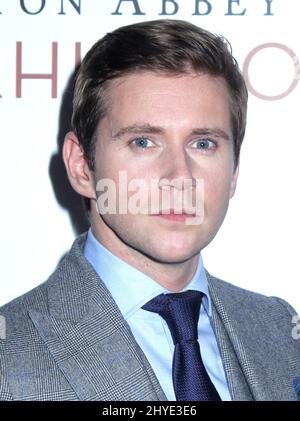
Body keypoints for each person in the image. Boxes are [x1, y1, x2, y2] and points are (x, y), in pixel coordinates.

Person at [0, 19, 299, 402]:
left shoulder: (279, 328)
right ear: (81, 166)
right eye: (143, 141)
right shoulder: (9, 358)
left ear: (234, 170)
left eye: (204, 144)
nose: (179, 177)